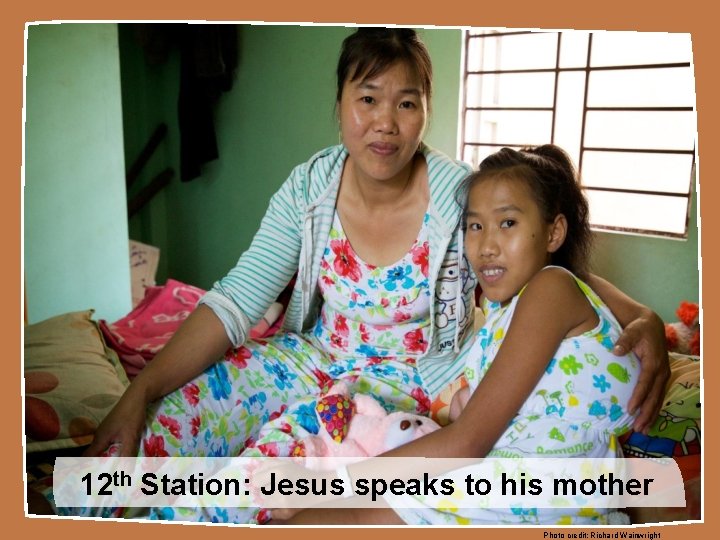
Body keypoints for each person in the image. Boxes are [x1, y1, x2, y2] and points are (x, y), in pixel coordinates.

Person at [78, 28, 667, 523]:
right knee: (168, 419)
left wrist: (644, 317)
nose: (386, 123)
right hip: (311, 358)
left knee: (268, 471)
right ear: (339, 105)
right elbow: (236, 300)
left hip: (419, 381)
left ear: (425, 113)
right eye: (368, 99)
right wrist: (141, 390)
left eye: (406, 103)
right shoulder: (308, 188)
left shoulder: (464, 195)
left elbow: (555, 270)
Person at [273, 144, 641, 525]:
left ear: (554, 231)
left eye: (508, 223)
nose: (486, 246)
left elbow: (467, 442)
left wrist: (328, 487)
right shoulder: (512, 304)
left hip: (533, 495)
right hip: (514, 486)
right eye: (475, 226)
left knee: (310, 518)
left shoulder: (551, 288)